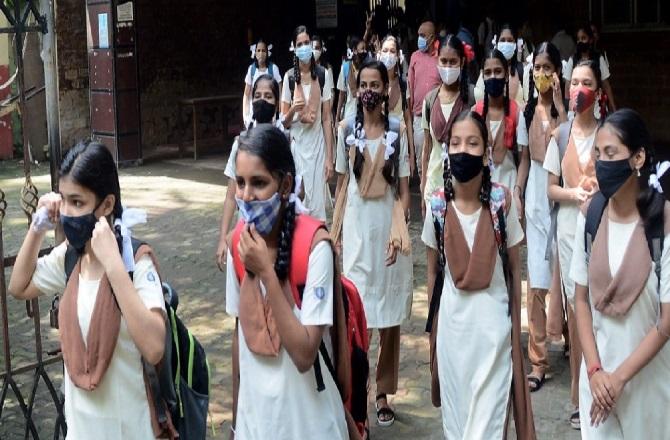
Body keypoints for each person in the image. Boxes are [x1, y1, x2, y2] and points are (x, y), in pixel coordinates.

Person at [8, 141, 168, 439]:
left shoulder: (137, 263)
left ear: (106, 205)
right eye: (64, 200)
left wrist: (114, 265)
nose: (68, 212)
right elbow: (18, 286)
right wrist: (38, 226)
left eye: (78, 203)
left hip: (130, 430)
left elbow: (154, 347)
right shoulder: (71, 258)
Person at [225, 125, 348, 439]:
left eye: (259, 183)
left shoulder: (315, 247)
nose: (247, 196)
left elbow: (305, 353)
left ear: (285, 184)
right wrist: (237, 422)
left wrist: (266, 271)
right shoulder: (238, 243)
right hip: (257, 422)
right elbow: (240, 338)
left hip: (309, 422)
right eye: (240, 183)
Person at [422, 110, 534, 439]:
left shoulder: (502, 203)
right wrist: (435, 331)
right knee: (459, 429)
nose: (462, 150)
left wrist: (514, 328)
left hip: (494, 338)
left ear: (486, 154)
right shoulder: (438, 207)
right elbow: (432, 272)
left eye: (472, 143)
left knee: (486, 428)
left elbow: (514, 270)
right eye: (455, 143)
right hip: (453, 340)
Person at [570, 109, 670, 437]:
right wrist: (596, 372)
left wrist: (619, 378)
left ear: (638, 157)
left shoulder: (662, 224)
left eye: (611, 153)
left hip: (648, 389)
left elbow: (666, 321)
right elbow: (580, 300)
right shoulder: (591, 216)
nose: (601, 163)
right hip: (597, 387)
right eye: (597, 154)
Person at [333, 59, 412, 428]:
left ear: (386, 88)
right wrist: (334, 235)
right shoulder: (346, 128)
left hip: (387, 228)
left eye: (375, 84)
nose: (369, 90)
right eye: (363, 83)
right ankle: (357, 386)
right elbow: (342, 183)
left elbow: (404, 189)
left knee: (390, 313)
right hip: (358, 226)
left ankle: (383, 390)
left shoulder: (398, 129)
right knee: (356, 309)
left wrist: (399, 233)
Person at [544, 58, 604, 430]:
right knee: (577, 311)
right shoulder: (560, 136)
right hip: (569, 231)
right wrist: (573, 193)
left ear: (597, 90)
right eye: (575, 82)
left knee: (603, 312)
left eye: (587, 82)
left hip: (602, 229)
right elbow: (549, 187)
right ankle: (579, 397)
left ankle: (606, 387)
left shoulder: (608, 134)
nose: (579, 88)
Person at [519, 42, 569, 392]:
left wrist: (562, 107)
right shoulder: (525, 112)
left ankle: (568, 335)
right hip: (536, 194)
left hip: (562, 196)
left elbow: (571, 148)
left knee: (565, 277)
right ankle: (538, 361)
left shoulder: (566, 117)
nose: (542, 74)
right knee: (536, 281)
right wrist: (518, 195)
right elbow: (523, 157)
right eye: (537, 67)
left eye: (548, 68)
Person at [216, 75, 284, 271]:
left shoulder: (285, 143)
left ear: (277, 103)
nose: (262, 101)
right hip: (245, 232)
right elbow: (231, 197)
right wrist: (223, 238)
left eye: (268, 96)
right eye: (258, 95)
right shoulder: (241, 143)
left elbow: (298, 192)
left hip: (277, 233)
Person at [281, 25, 335, 222]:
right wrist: (294, 110)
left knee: (318, 206)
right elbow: (284, 122)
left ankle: (318, 248)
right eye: (300, 44)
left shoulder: (322, 75)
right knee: (298, 202)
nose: (304, 47)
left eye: (307, 43)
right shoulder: (288, 78)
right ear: (294, 48)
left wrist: (330, 158)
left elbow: (327, 118)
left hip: (318, 147)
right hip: (297, 148)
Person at [473, 48, 528, 203]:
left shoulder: (516, 112)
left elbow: (524, 158)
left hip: (509, 192)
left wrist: (517, 192)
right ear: (483, 76)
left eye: (498, 71)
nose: (493, 76)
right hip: (480, 193)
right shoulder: (475, 113)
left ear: (506, 75)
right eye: (488, 72)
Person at [378, 34, 415, 175]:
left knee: (401, 190)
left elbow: (408, 120)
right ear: (379, 54)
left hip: (401, 143)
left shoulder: (403, 85)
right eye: (385, 50)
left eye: (392, 51)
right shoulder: (373, 84)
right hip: (379, 143)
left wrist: (411, 154)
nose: (388, 54)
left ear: (398, 55)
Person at [408, 20, 440, 177]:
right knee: (423, 161)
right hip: (419, 118)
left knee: (438, 161)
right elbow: (410, 86)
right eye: (418, 34)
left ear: (432, 38)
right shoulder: (414, 57)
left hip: (437, 117)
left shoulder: (441, 58)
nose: (419, 38)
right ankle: (425, 199)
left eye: (422, 35)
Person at [563, 24, 617, 113]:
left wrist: (612, 106)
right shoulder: (572, 60)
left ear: (591, 40)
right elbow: (567, 86)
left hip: (597, 107)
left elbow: (606, 85)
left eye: (583, 38)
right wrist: (569, 108)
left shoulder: (599, 59)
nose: (580, 41)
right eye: (578, 39)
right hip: (577, 107)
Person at [474, 25, 525, 105]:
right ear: (496, 43)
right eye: (502, 40)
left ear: (515, 44)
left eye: (510, 40)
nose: (506, 43)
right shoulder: (486, 68)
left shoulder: (523, 70)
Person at [242, 38, 282, 125]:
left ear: (267, 52)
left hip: (270, 113)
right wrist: (245, 115)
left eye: (263, 50)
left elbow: (279, 93)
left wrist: (277, 113)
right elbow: (246, 94)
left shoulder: (273, 69)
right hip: (254, 113)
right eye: (258, 50)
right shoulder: (251, 70)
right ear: (255, 52)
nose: (261, 53)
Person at [336, 36, 369, 124]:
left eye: (365, 49)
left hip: (367, 116)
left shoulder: (368, 68)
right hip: (350, 115)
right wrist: (337, 118)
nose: (364, 51)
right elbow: (341, 95)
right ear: (354, 50)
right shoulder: (346, 68)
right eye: (362, 49)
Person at [312, 35, 336, 99]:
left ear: (321, 49)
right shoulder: (305, 67)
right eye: (312, 48)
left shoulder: (327, 68)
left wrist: (328, 108)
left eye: (317, 48)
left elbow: (332, 92)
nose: (314, 51)